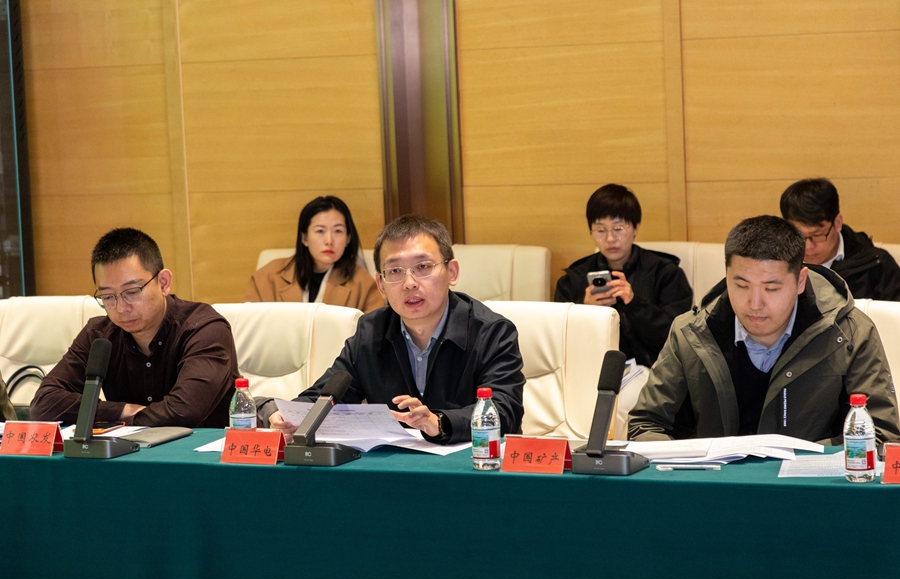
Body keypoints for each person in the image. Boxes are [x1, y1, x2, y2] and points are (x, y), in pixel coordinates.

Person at [628, 216, 900, 445]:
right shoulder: (690, 333)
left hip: (808, 486)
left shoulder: (850, 333)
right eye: (741, 286)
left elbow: (881, 435)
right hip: (715, 485)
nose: (755, 304)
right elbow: (645, 424)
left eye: (771, 288)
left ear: (800, 280)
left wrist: (805, 459)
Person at [260, 215, 525, 444]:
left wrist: (439, 422)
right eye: (395, 271)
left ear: (452, 272)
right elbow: (326, 398)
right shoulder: (370, 332)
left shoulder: (492, 332)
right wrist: (283, 416)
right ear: (381, 285)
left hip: (471, 469)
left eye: (423, 267)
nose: (409, 283)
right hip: (395, 471)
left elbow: (506, 412)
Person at [31, 228, 241, 427]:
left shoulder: (204, 329)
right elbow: (43, 405)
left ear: (163, 282)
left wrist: (112, 417)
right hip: (128, 452)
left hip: (208, 451)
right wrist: (122, 410)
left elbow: (184, 411)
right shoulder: (99, 336)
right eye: (107, 296)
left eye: (132, 292)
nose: (121, 308)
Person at [555, 184, 693, 367]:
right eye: (601, 230)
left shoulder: (666, 273)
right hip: (591, 369)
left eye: (618, 228)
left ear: (636, 228)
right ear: (591, 231)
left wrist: (635, 304)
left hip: (654, 371)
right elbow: (557, 341)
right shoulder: (572, 279)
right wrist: (583, 310)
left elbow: (677, 337)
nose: (610, 239)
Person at [244, 195, 383, 313]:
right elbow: (249, 325)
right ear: (304, 238)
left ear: (348, 239)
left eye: (338, 231)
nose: (329, 241)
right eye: (320, 231)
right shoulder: (268, 277)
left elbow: (373, 333)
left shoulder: (364, 284)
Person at [780, 178, 900, 301]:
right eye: (799, 236)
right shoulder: (777, 263)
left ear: (837, 223)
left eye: (817, 235)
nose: (808, 246)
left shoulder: (876, 264)